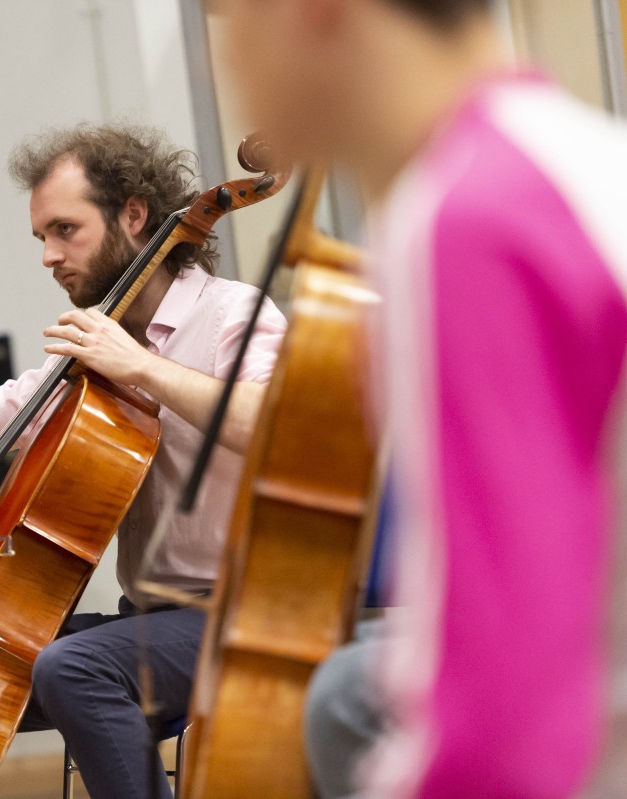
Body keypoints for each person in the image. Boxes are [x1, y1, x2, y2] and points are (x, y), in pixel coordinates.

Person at [219, 0, 627, 796]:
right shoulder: (582, 159)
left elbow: (502, 724)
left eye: (230, 17)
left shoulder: (467, 220)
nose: (229, 62)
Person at [0, 123, 286, 799]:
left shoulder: (234, 313)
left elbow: (275, 425)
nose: (49, 256)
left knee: (73, 667)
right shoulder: (94, 345)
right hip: (149, 620)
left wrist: (143, 367)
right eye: (41, 237)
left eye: (65, 230)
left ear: (134, 215)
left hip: (250, 614)